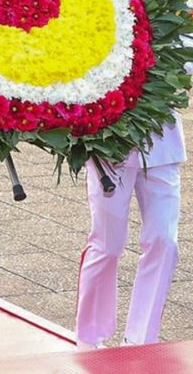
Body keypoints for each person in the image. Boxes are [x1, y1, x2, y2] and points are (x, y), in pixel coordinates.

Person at [76, 115, 186, 349]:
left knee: (164, 242)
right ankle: (89, 338)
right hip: (109, 147)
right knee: (108, 245)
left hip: (161, 142)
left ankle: (140, 340)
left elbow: (181, 77)